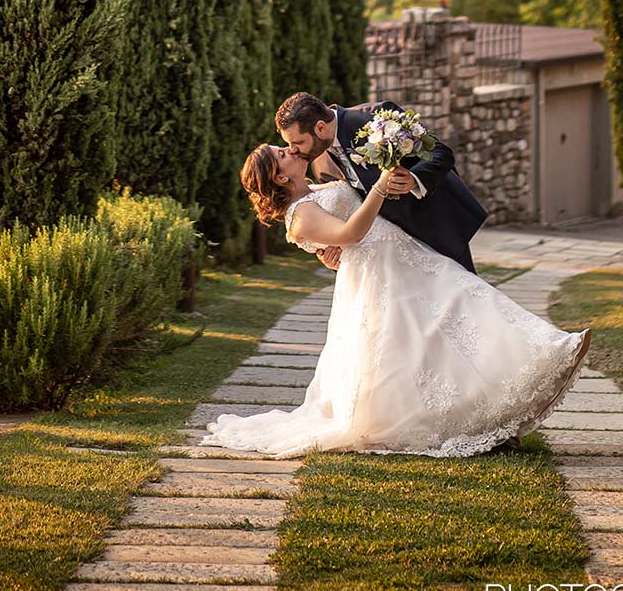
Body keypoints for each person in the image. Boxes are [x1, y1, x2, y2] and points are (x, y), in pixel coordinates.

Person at [199, 142, 591, 458]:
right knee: (420, 346)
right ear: (280, 176)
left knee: (468, 303)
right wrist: (379, 189)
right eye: (281, 154)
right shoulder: (300, 216)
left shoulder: (318, 185)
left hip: (403, 255)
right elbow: (351, 233)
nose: (289, 150)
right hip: (379, 275)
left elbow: (337, 176)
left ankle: (547, 350)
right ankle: (477, 410)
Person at [274, 90, 486, 273]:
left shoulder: (376, 119)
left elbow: (440, 153)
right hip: (388, 258)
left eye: (297, 142)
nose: (293, 150)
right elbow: (345, 217)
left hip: (433, 228)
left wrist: (414, 179)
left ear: (320, 128)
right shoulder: (319, 164)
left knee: (465, 305)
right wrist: (331, 253)